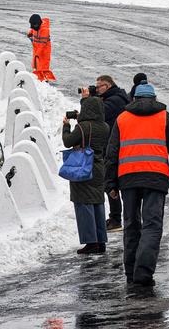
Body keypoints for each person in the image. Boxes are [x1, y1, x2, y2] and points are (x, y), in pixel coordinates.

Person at [105, 82, 169, 288]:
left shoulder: (122, 118)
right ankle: (143, 272)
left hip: (128, 178)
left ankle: (130, 271)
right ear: (154, 99)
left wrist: (111, 183)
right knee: (152, 225)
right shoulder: (165, 118)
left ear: (134, 99)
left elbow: (112, 152)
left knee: (131, 224)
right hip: (155, 177)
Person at [62, 93, 110, 255]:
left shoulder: (83, 127)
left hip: (83, 166)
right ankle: (101, 240)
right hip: (99, 167)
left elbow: (68, 141)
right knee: (97, 202)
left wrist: (66, 126)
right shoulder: (105, 126)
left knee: (83, 204)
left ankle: (91, 242)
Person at [92, 75, 130, 232]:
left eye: (99, 86)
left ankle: (116, 219)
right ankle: (119, 218)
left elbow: (97, 115)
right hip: (116, 146)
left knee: (110, 182)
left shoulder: (114, 101)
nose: (97, 89)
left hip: (113, 147)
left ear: (107, 86)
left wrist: (89, 100)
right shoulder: (117, 97)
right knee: (113, 182)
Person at [27, 13, 56, 82]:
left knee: (44, 66)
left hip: (44, 50)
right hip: (37, 47)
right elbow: (34, 30)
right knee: (36, 64)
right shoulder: (35, 26)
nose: (33, 27)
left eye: (34, 25)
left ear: (38, 24)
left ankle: (45, 80)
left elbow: (42, 45)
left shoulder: (45, 30)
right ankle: (38, 76)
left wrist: (37, 53)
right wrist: (30, 32)